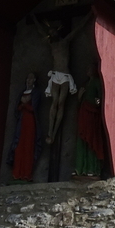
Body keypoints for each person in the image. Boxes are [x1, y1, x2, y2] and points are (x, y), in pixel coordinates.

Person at [33, 11, 93, 144]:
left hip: (65, 75)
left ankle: (54, 133)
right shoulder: (52, 44)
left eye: (53, 32)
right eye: (50, 33)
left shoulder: (65, 42)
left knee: (61, 103)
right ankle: (50, 131)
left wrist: (89, 15)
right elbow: (40, 31)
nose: (51, 34)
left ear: (57, 32)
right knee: (54, 102)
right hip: (55, 75)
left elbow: (78, 29)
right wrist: (34, 19)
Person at [75, 64, 105, 177]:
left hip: (92, 114)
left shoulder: (96, 82)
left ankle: (92, 168)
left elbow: (101, 98)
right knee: (81, 140)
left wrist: (98, 102)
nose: (88, 70)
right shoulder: (86, 84)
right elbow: (80, 101)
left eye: (90, 68)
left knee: (91, 140)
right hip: (84, 113)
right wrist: (79, 97)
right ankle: (80, 168)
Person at [10, 73, 41, 181]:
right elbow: (16, 108)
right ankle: (17, 173)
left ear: (35, 80)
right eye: (28, 78)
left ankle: (26, 174)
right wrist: (21, 106)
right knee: (19, 147)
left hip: (30, 122)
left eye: (31, 78)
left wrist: (25, 105)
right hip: (21, 121)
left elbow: (34, 108)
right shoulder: (22, 93)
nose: (29, 80)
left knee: (28, 147)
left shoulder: (36, 93)